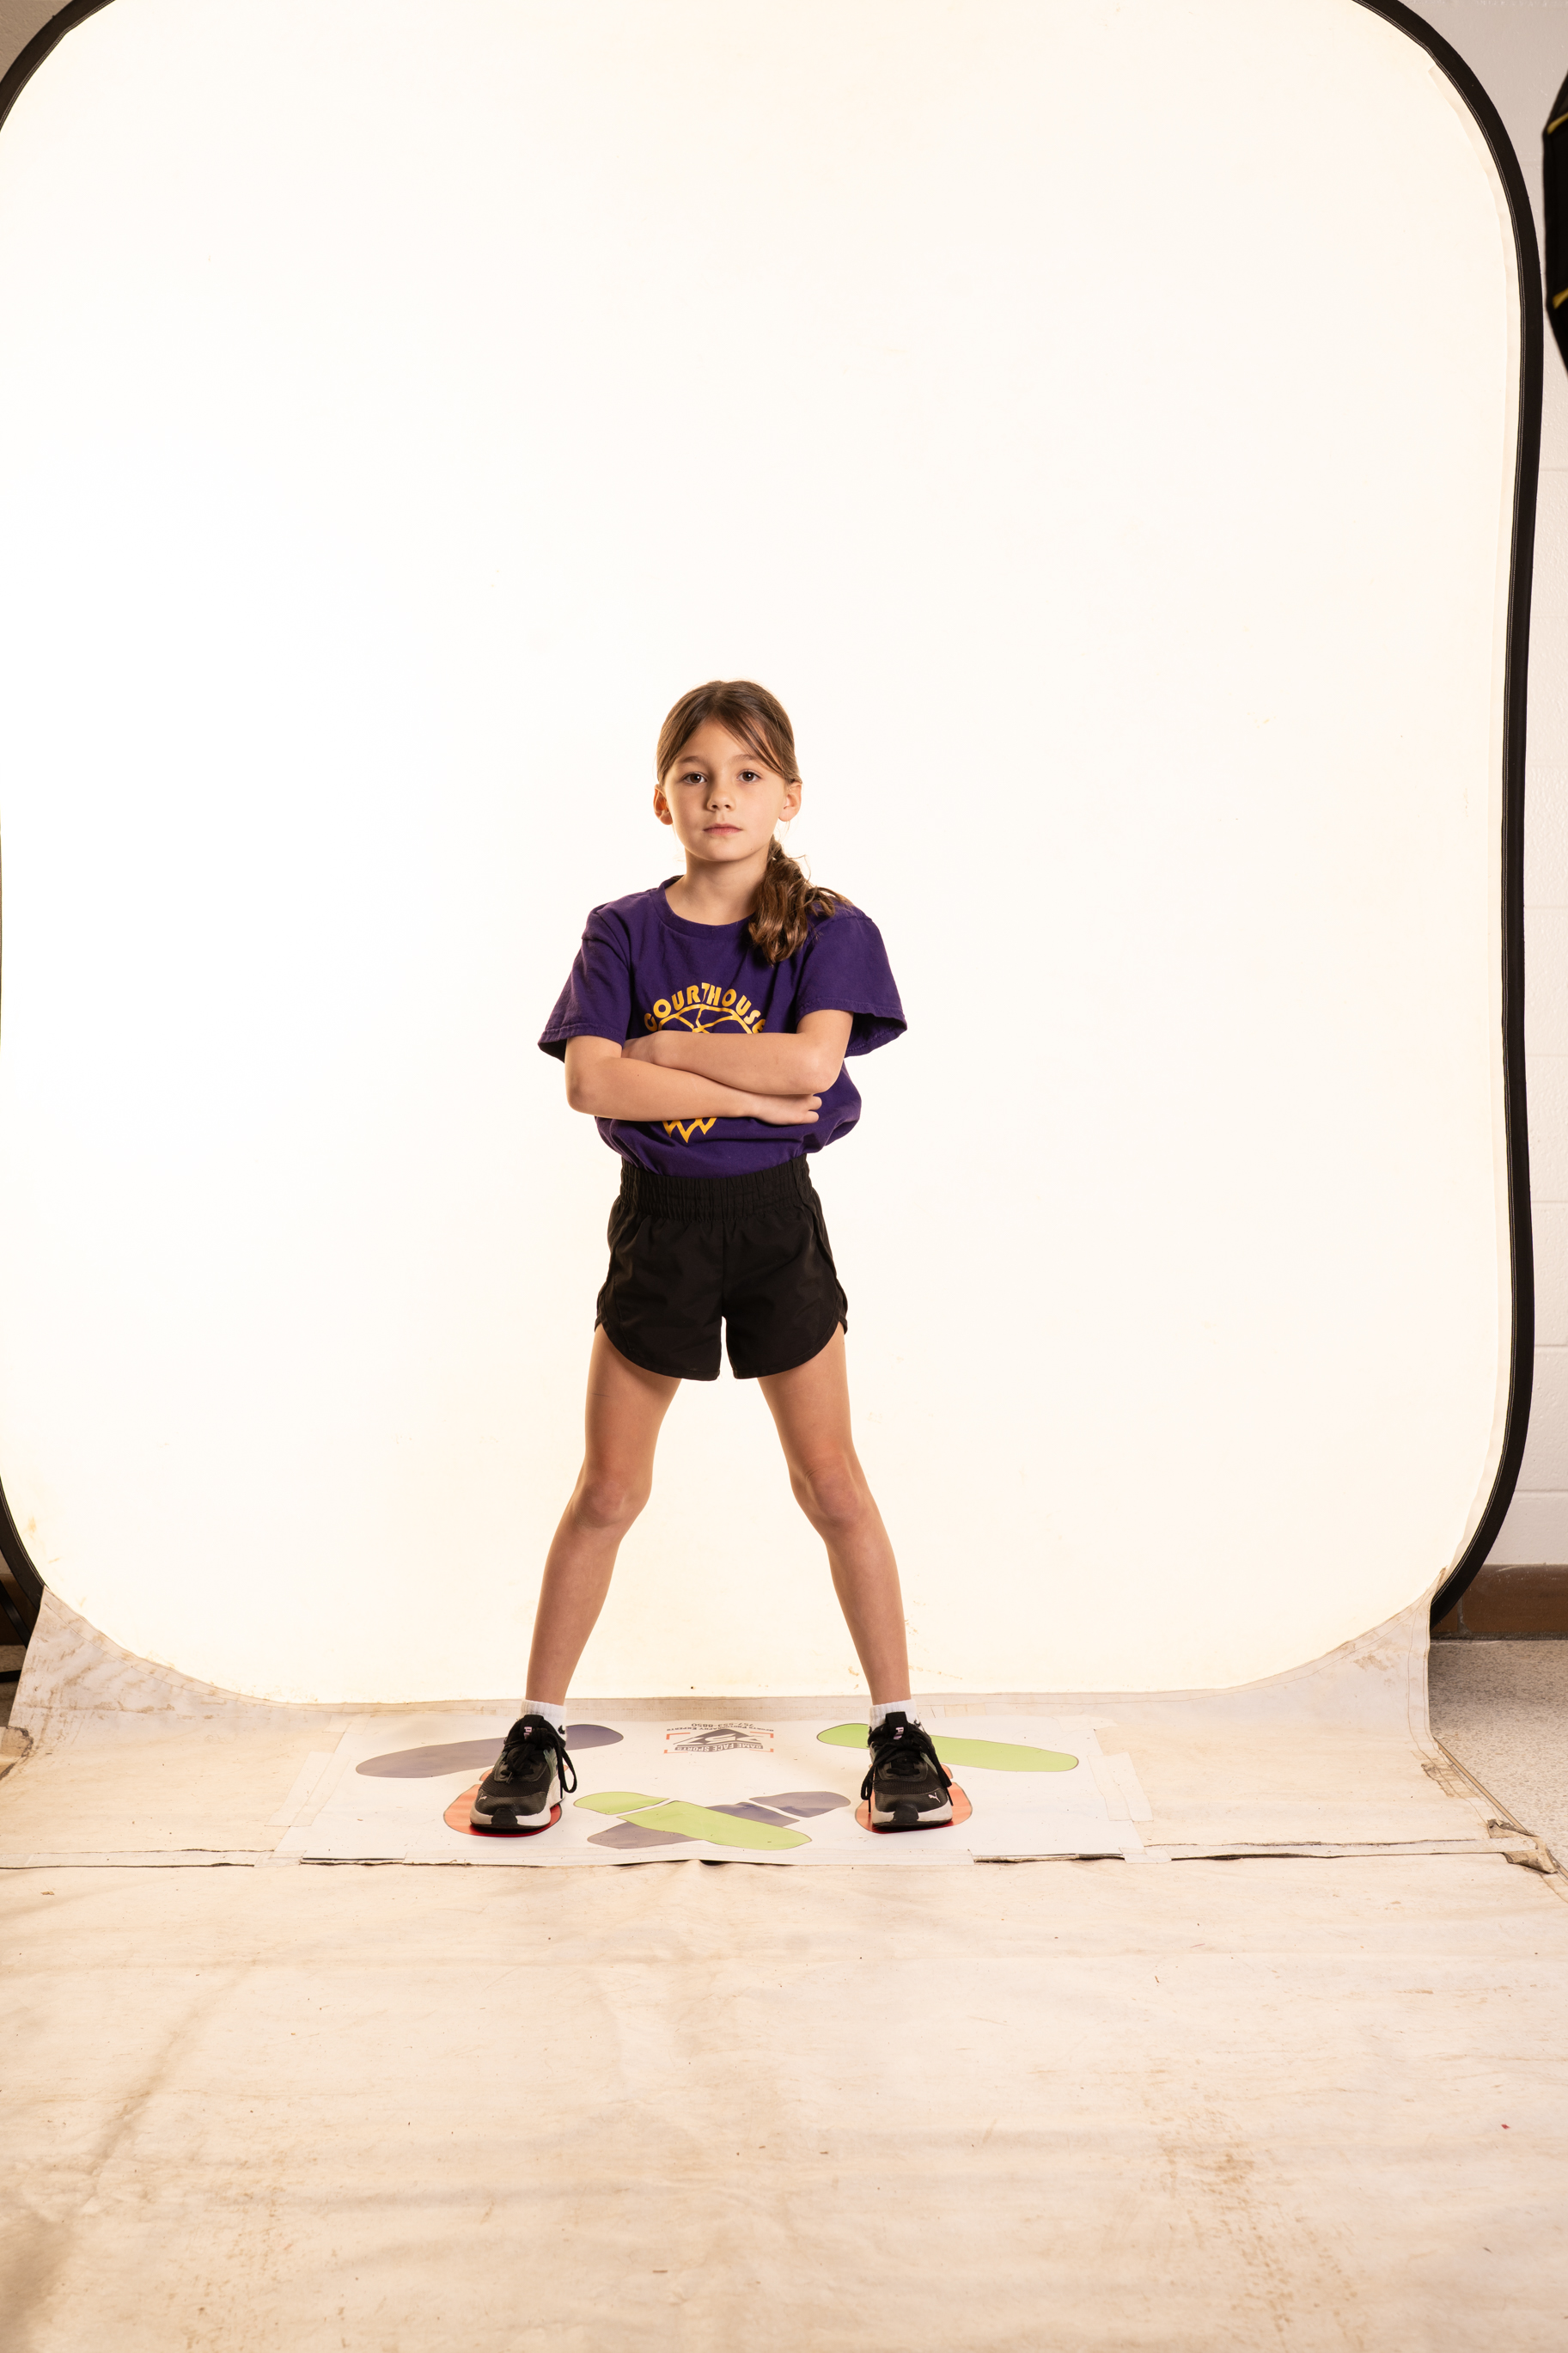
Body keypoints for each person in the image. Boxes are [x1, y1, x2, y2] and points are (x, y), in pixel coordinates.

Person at [471, 681, 953, 1837]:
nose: (719, 795)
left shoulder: (829, 928)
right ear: (661, 798)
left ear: (789, 795)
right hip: (662, 1224)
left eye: (746, 774)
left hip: (775, 1225)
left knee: (830, 1482)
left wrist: (667, 1049)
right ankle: (536, 1727)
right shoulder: (622, 930)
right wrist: (749, 1085)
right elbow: (591, 1082)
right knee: (608, 1489)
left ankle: (897, 1729)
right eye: (694, 774)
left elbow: (811, 1071)